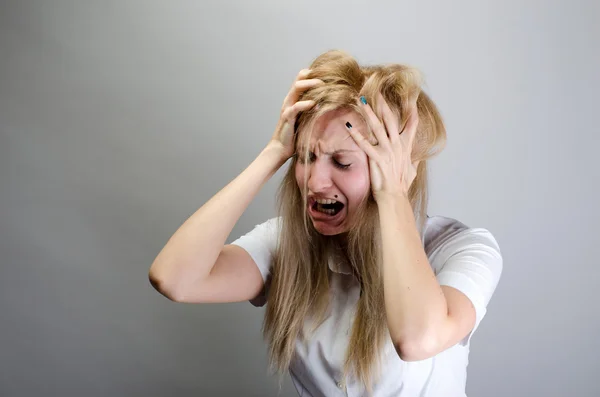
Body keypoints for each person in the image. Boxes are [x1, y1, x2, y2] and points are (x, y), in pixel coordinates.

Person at [148, 50, 503, 397]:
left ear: (399, 168)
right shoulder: (285, 242)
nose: (315, 182)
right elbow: (176, 280)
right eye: (307, 157)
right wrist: (274, 151)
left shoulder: (462, 249)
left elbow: (417, 339)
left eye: (342, 163)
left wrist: (393, 195)